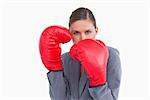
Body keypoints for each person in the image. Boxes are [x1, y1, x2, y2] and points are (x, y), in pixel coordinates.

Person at [39, 7, 122, 100]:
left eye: (88, 32)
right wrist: (55, 69)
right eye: (76, 33)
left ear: (96, 31)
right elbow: (59, 98)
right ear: (70, 34)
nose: (83, 38)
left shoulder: (111, 56)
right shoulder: (65, 59)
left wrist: (98, 82)